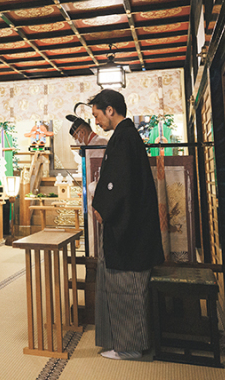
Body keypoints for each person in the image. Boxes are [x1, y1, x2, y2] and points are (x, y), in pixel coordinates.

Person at [88, 89, 164, 360]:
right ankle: (126, 343)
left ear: (110, 110)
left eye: (97, 115)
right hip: (133, 225)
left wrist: (103, 209)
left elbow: (117, 184)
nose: (96, 121)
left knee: (128, 288)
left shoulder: (125, 137)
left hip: (131, 231)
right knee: (125, 288)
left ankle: (131, 346)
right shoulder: (126, 136)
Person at [66, 113, 108, 256]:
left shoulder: (100, 143)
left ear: (82, 132)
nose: (76, 141)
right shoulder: (89, 147)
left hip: (100, 198)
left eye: (76, 137)